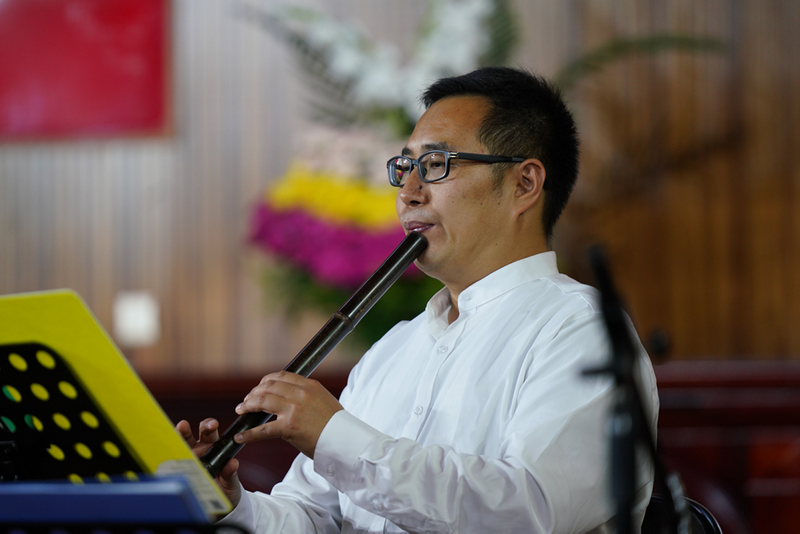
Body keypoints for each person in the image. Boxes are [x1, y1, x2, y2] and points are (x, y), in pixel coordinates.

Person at [177, 66, 659, 533]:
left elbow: (530, 512)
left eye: (435, 165)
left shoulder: (580, 329)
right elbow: (315, 517)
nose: (408, 192)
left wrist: (337, 437)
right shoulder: (394, 349)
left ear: (524, 183)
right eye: (404, 167)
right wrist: (230, 505)